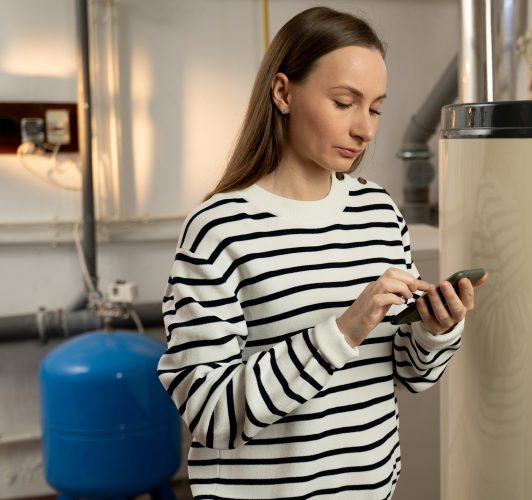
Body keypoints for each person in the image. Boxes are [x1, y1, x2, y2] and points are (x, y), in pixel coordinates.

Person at [157, 6, 487, 499]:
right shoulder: (219, 228)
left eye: (375, 109)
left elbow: (406, 373)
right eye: (344, 103)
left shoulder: (378, 212)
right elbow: (210, 414)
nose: (365, 130)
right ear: (283, 92)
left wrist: (434, 330)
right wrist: (342, 331)